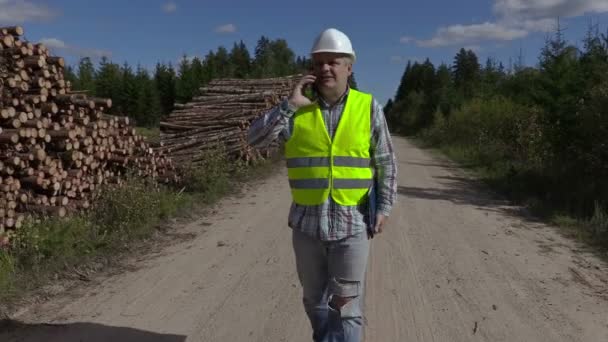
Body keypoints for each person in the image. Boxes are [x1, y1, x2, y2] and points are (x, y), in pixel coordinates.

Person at [247, 27, 397, 342]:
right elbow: (255, 141)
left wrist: (383, 207)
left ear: (349, 67)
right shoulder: (296, 111)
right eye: (319, 63)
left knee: (348, 309)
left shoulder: (368, 107)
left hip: (352, 226)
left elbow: (385, 162)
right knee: (314, 301)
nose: (325, 68)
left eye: (333, 61)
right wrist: (288, 105)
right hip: (307, 227)